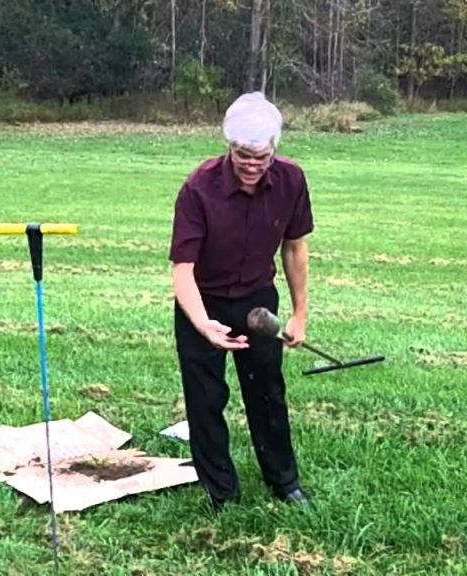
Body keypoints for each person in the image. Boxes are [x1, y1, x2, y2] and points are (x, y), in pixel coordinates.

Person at [168, 92, 314, 512]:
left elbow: (294, 249)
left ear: (275, 149)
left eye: (261, 157)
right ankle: (221, 491)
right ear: (228, 146)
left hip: (257, 303)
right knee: (206, 397)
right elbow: (182, 269)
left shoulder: (291, 180)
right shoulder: (199, 186)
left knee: (267, 392)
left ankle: (284, 482)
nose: (252, 165)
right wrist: (201, 323)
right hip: (204, 300)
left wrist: (300, 313)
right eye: (242, 156)